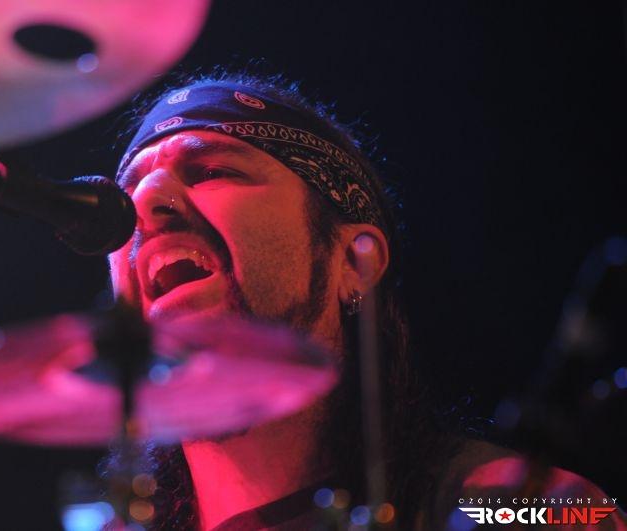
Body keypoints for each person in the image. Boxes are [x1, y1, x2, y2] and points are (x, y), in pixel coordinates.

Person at [106, 69, 626, 530]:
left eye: (214, 172)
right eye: (125, 197)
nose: (145, 203)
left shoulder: (525, 507)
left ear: (354, 264)